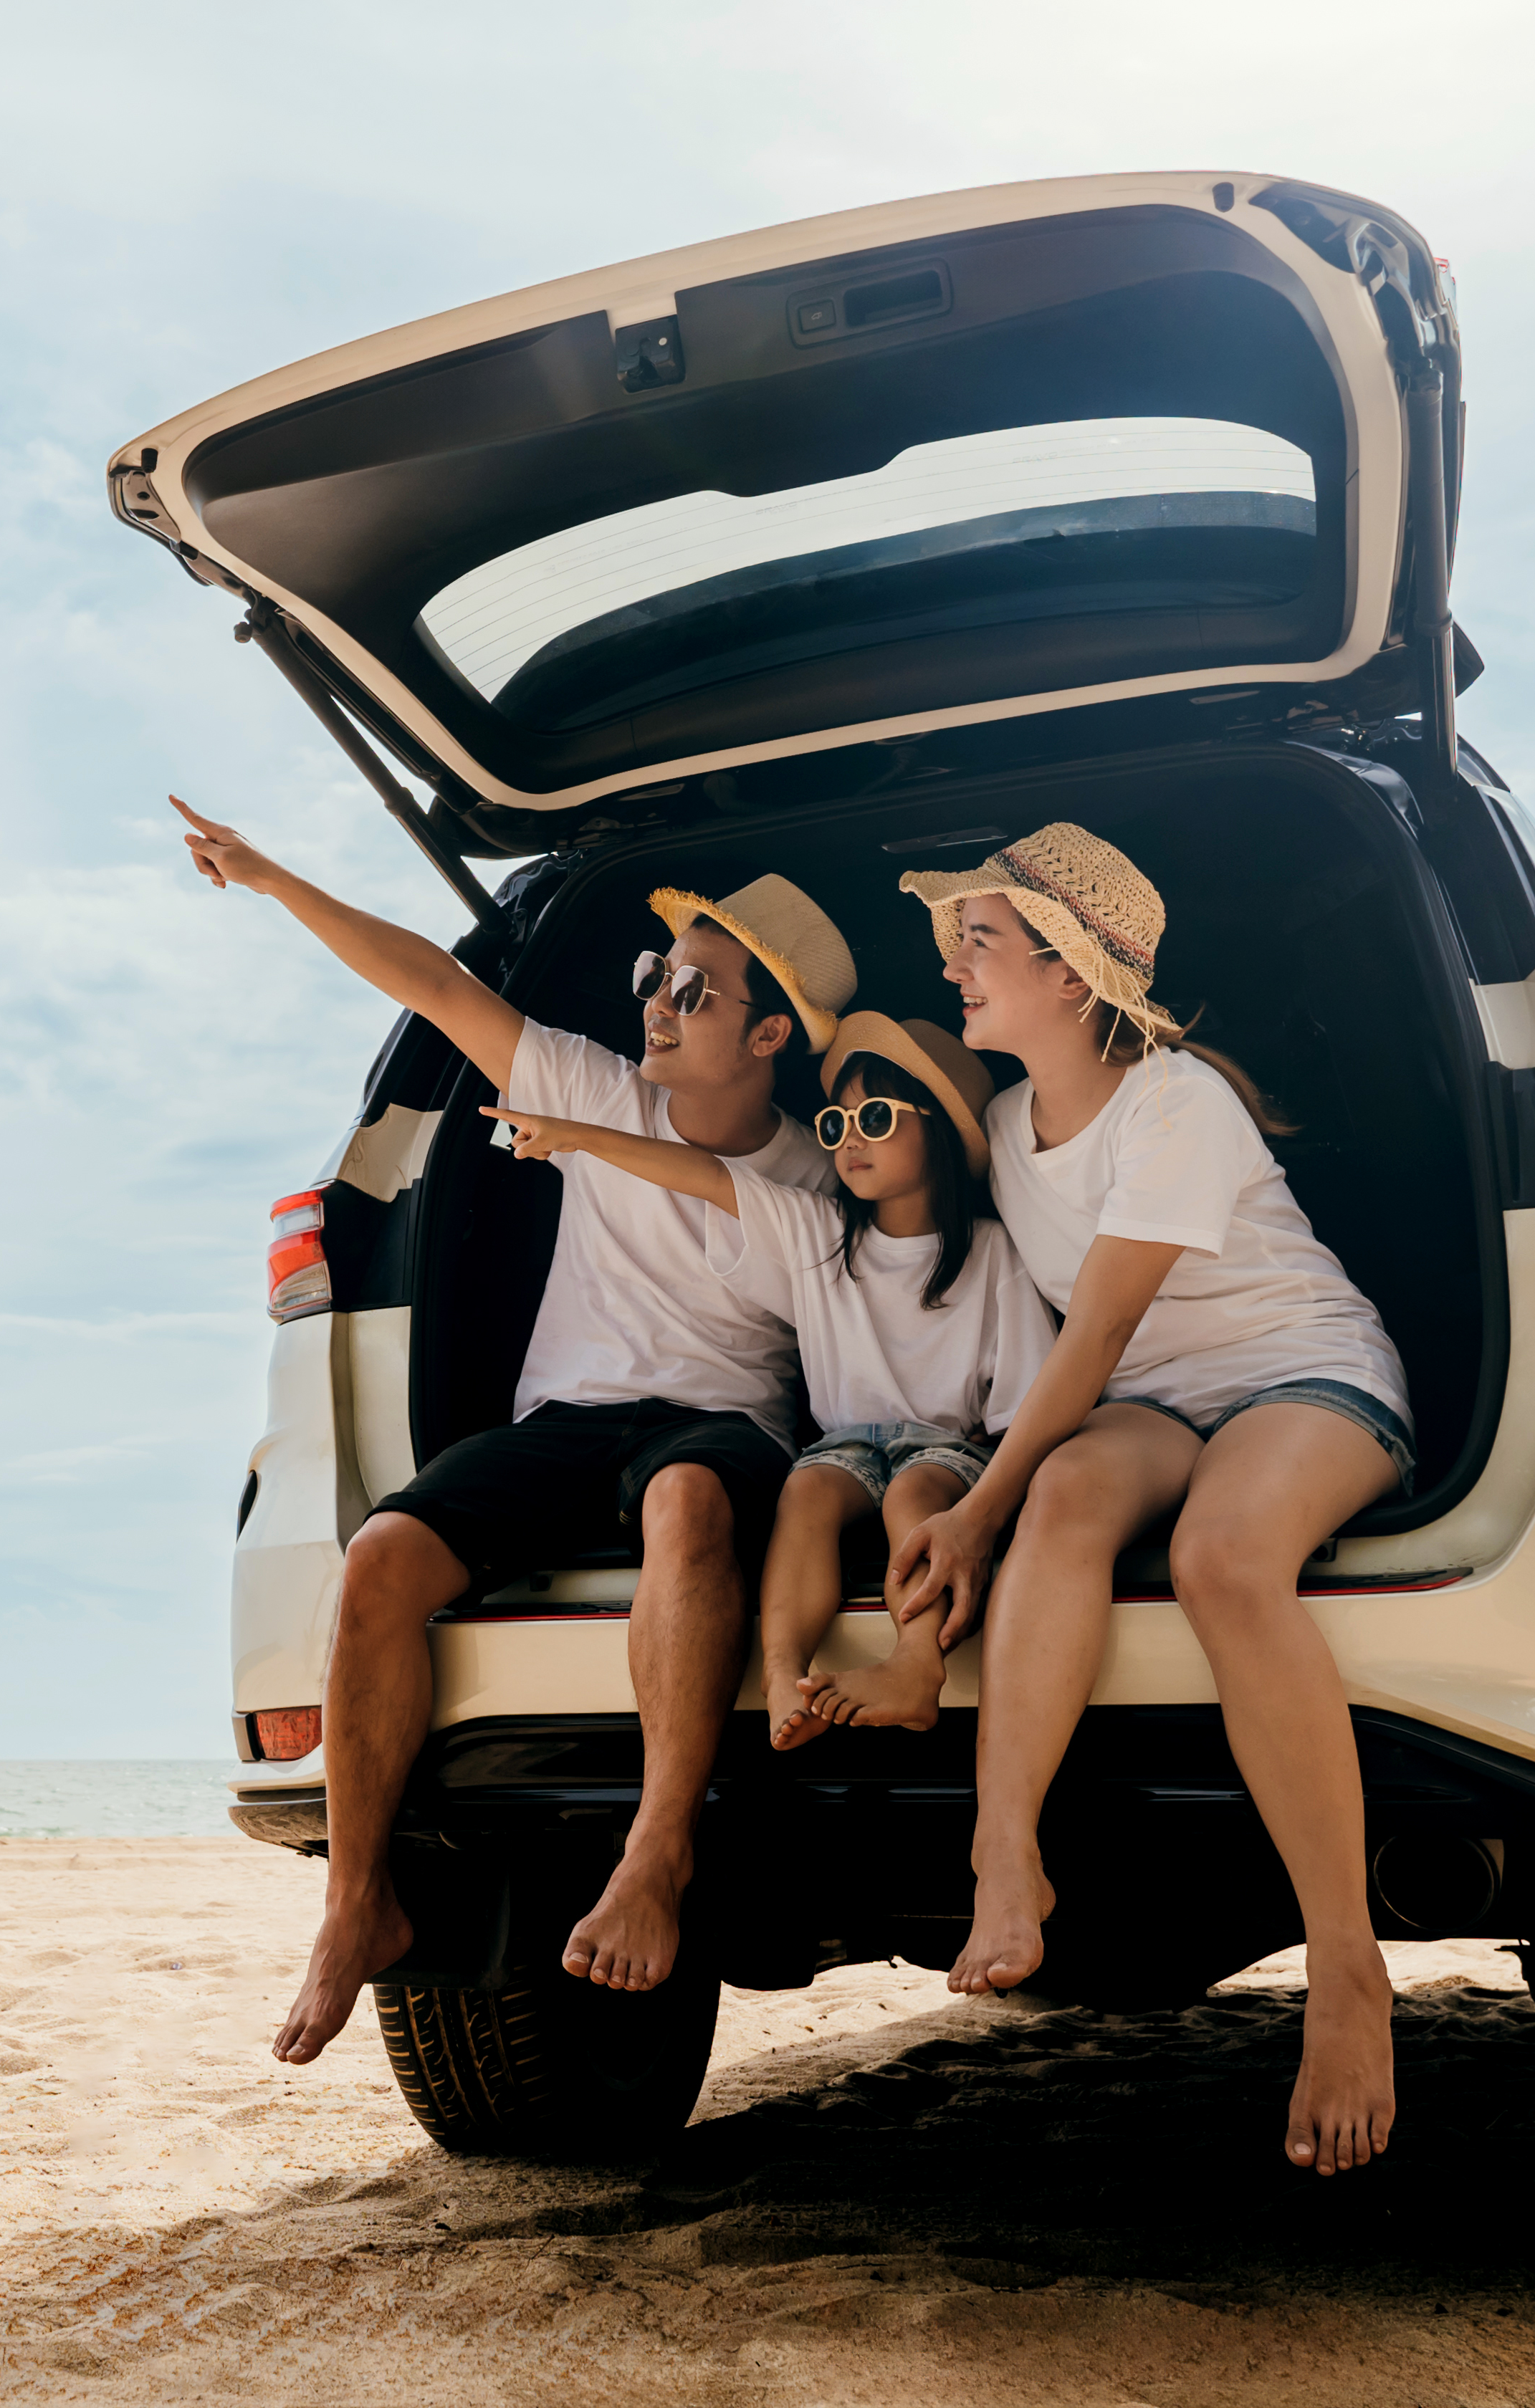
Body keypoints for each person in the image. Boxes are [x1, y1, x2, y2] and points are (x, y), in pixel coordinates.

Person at [170, 797, 851, 2069]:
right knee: (378, 1556)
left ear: (767, 1032)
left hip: (717, 1427)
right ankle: (354, 1898)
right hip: (568, 1418)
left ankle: (654, 1851)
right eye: (656, 975)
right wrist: (270, 877)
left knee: (688, 1507)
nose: (655, 1000)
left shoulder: (817, 1172)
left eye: (694, 990)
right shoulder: (598, 1079)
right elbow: (431, 979)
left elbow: (743, 1196)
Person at [878, 822, 1416, 2178]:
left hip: (1296, 1368)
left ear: (1069, 973)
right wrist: (964, 1484)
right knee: (1062, 1495)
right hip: (1152, 1401)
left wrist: (970, 1509)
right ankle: (1005, 1855)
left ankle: (1346, 1969)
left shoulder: (1176, 1100)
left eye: (980, 939)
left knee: (1222, 1557)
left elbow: (1097, 1331)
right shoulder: (1002, 1125)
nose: (955, 963)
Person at [483, 1010, 1055, 1750]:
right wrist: (580, 1136)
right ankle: (784, 1672)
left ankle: (916, 1666)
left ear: (939, 1132)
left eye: (874, 1116)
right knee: (808, 1491)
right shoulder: (817, 1232)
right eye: (835, 1122)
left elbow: (1027, 1402)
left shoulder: (991, 1251)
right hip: (843, 1450)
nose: (848, 1136)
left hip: (947, 1450)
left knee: (915, 1491)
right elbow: (706, 1178)